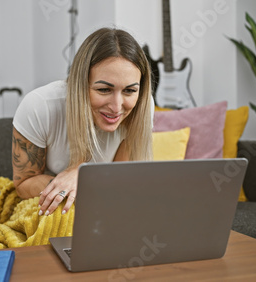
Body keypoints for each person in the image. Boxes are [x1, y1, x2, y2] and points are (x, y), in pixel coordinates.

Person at [12, 27, 153, 216]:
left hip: (105, 204)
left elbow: (119, 177)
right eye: (104, 90)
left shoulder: (141, 106)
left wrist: (83, 177)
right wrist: (72, 183)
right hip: (51, 208)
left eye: (129, 91)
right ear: (81, 84)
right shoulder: (39, 106)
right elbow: (23, 184)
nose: (117, 106)